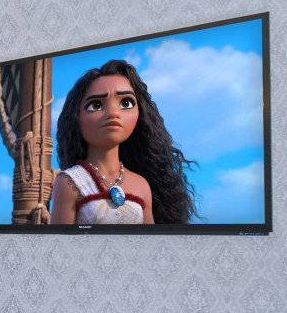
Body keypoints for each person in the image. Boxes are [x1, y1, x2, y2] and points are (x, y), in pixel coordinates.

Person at [49, 59, 196, 225]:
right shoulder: (70, 182)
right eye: (95, 105)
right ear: (76, 118)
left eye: (126, 103)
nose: (113, 113)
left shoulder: (141, 185)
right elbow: (59, 239)